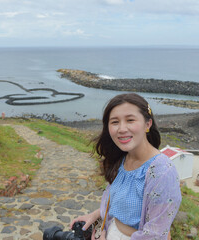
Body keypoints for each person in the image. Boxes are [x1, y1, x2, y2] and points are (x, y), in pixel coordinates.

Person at [70, 93, 182, 240]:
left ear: (147, 124)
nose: (122, 129)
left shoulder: (161, 171)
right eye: (115, 122)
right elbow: (120, 205)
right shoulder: (121, 158)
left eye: (130, 120)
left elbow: (155, 235)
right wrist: (96, 215)